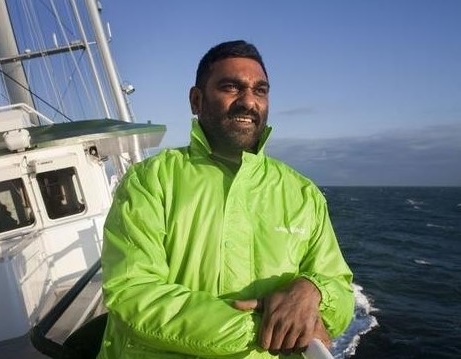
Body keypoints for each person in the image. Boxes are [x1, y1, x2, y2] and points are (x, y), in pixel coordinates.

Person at [97, 40, 354, 358]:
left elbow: (339, 289)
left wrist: (314, 290)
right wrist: (265, 328)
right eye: (231, 87)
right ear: (196, 100)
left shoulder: (302, 194)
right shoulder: (150, 182)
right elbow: (133, 292)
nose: (249, 101)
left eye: (260, 90)